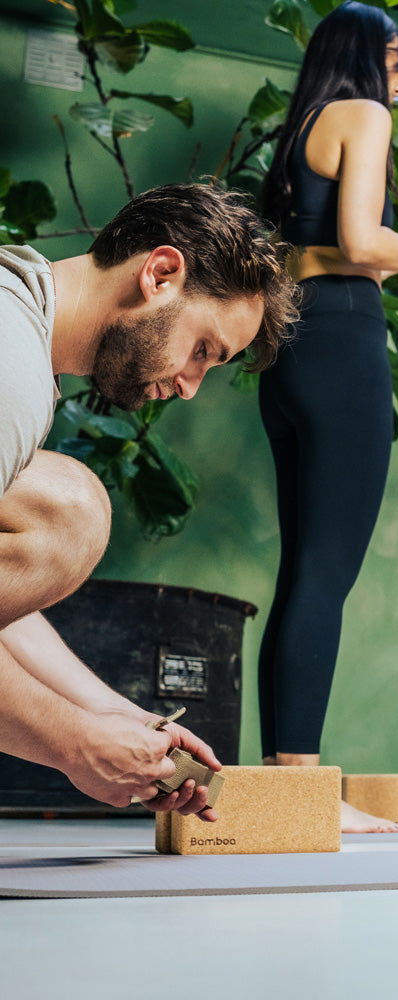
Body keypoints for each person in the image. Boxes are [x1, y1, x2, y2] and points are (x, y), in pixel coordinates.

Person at [257, 1, 398, 833]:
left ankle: (288, 785)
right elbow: (361, 238)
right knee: (326, 577)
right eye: (393, 58)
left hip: (291, 351)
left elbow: (327, 255)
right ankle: (312, 791)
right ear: (363, 58)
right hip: (341, 356)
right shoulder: (363, 113)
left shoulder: (301, 131)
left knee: (301, 576)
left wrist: (395, 257)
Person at [0, 183, 299, 819]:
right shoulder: (9, 367)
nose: (191, 387)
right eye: (202, 351)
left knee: (56, 507)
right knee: (71, 513)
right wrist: (73, 744)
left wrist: (116, 716)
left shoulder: (18, 320)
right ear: (160, 274)